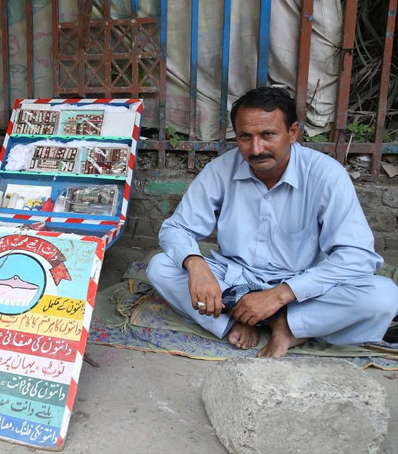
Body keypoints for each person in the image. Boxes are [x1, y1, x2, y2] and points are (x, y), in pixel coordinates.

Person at [147, 87, 397, 357]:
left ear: (292, 132)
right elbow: (176, 228)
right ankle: (238, 319)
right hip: (235, 280)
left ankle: (286, 326)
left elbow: (358, 256)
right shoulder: (221, 170)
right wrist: (195, 264)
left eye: (268, 135)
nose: (256, 149)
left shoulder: (326, 175)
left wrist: (281, 294)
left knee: (383, 297)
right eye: (245, 137)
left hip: (301, 286)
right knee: (161, 267)